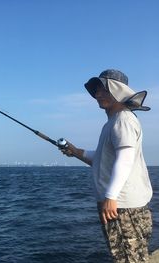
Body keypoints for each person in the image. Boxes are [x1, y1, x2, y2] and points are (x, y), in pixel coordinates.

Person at [60, 69, 153, 263]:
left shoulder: (123, 120)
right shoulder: (115, 122)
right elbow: (104, 159)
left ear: (119, 92)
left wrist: (111, 197)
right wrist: (77, 152)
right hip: (123, 205)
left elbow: (125, 158)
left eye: (104, 90)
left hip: (121, 206)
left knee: (128, 259)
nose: (97, 95)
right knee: (134, 257)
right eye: (96, 91)